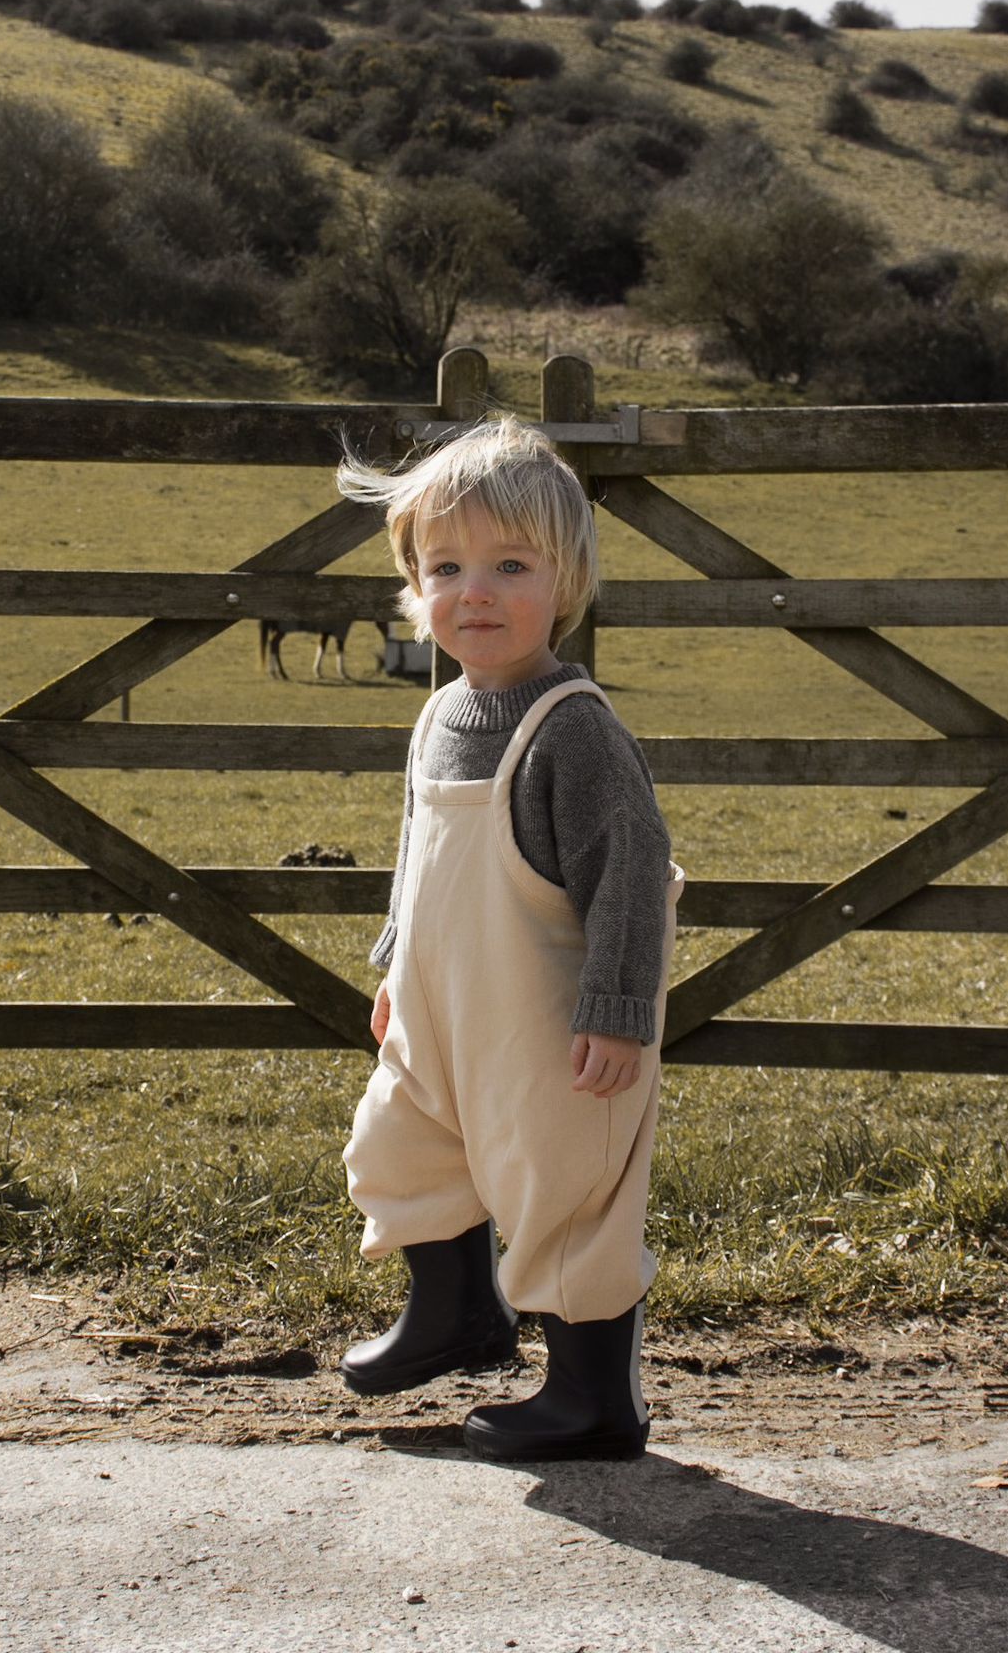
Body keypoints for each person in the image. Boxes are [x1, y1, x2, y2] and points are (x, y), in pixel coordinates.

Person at [334, 415, 683, 1463]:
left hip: (551, 1032)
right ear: (413, 585)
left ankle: (591, 1397)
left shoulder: (573, 729)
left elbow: (633, 877)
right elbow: (418, 855)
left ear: (565, 581)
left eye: (510, 566)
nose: (474, 591)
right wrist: (396, 965)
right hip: (442, 1011)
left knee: (562, 1194)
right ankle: (455, 1314)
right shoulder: (439, 714)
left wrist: (617, 1011)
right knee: (397, 1149)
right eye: (445, 567)